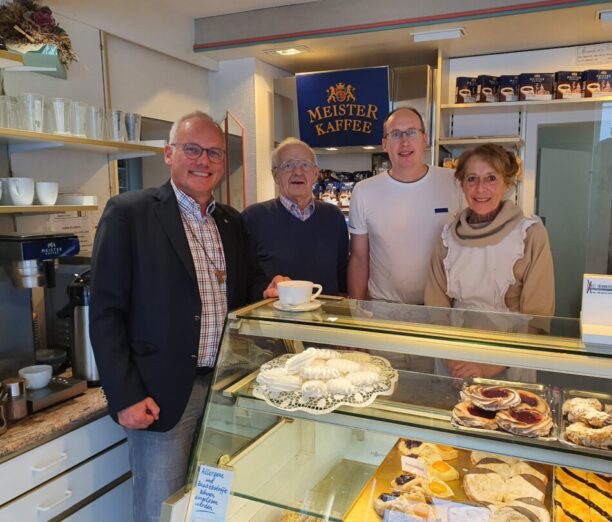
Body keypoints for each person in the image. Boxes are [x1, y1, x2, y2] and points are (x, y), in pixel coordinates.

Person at [89, 111, 270, 522]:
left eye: (214, 153)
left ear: (223, 164)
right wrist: (125, 395)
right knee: (160, 507)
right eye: (192, 149)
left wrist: (269, 291)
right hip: (161, 394)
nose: (203, 161)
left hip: (224, 386)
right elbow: (105, 312)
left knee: (213, 504)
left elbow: (241, 293)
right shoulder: (129, 213)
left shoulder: (230, 222)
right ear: (169, 154)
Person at [425, 143, 555, 380]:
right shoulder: (447, 236)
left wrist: (490, 367)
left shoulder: (530, 234)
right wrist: (453, 359)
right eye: (471, 178)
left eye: (491, 178)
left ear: (507, 184)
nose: (480, 188)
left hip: (510, 364)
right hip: (454, 359)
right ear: (462, 185)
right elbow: (436, 309)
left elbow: (538, 318)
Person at [347, 106, 463, 304]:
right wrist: (356, 313)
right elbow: (359, 258)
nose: (404, 141)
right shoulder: (364, 191)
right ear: (384, 144)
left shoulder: (454, 182)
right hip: (383, 308)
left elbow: (468, 249)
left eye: (411, 132)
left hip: (441, 307)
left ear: (424, 139)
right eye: (395, 134)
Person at [243, 137, 348, 295]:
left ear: (315, 174)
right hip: (274, 318)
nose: (297, 172)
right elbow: (244, 281)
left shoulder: (334, 217)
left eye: (305, 165)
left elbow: (342, 276)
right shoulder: (252, 218)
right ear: (275, 175)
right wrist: (265, 291)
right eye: (288, 165)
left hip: (326, 317)